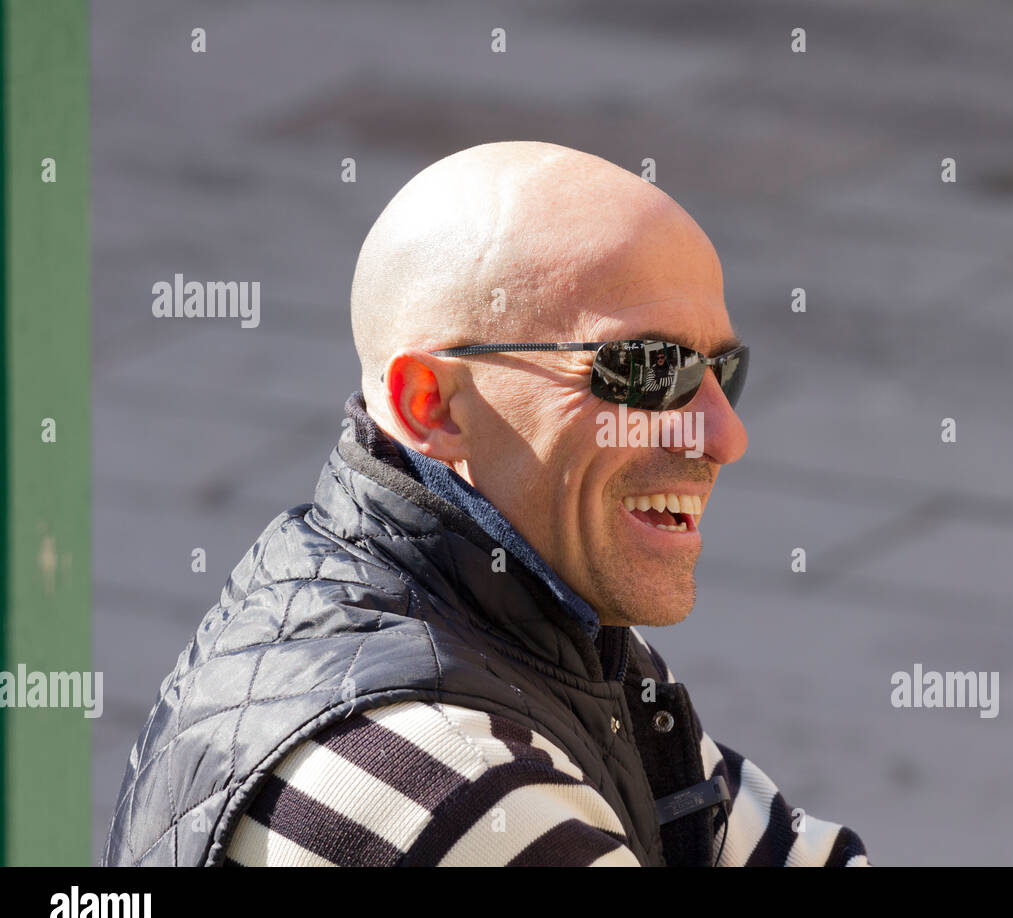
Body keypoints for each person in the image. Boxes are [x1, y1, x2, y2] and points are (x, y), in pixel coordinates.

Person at [102, 141, 869, 867]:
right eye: (647, 370)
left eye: (719, 371)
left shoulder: (538, 632)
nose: (724, 435)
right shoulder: (441, 778)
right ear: (429, 403)